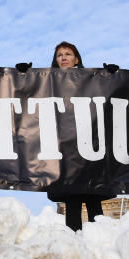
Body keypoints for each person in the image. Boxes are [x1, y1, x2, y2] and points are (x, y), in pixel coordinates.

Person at [45, 41, 112, 231]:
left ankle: (100, 244)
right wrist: (22, 75)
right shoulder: (47, 82)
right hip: (66, 148)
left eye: (68, 54)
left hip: (89, 142)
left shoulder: (91, 80)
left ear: (76, 59)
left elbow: (107, 96)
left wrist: (112, 77)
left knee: (93, 197)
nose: (63, 57)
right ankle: (75, 248)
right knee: (72, 199)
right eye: (59, 55)